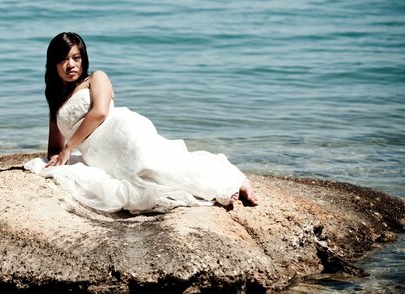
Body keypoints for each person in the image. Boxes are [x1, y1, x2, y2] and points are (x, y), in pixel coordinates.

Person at [24, 32, 258, 213]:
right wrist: (58, 156)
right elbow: (54, 147)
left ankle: (235, 181)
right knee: (147, 182)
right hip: (99, 155)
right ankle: (221, 188)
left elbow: (100, 113)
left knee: (163, 167)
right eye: (63, 60)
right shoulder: (55, 100)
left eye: (76, 58)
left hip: (124, 132)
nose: (71, 65)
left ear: (84, 60)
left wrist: (68, 148)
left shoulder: (97, 78)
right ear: (53, 64)